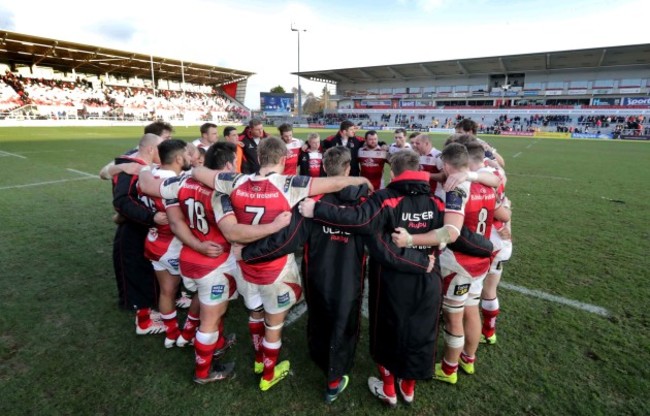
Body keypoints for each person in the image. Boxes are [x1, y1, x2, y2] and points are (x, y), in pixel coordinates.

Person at [299, 150, 487, 406]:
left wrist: (317, 208)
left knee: (386, 331)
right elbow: (461, 236)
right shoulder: (438, 202)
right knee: (419, 332)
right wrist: (487, 248)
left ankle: (389, 387)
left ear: (392, 172)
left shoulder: (384, 199)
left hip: (391, 278)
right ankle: (407, 388)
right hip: (426, 280)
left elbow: (361, 221)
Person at [191, 137, 372, 391]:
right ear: (285, 158)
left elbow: (200, 173)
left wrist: (193, 166)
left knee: (254, 312)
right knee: (273, 325)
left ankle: (257, 358)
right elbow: (334, 181)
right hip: (274, 269)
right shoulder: (291, 184)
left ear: (258, 157)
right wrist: (358, 180)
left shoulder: (235, 181)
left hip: (245, 266)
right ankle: (267, 374)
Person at [141, 142, 292, 384]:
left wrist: (141, 167)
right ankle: (204, 372)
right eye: (235, 162)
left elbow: (165, 208)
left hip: (189, 257)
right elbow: (232, 232)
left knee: (207, 305)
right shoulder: (224, 191)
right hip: (213, 261)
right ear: (229, 165)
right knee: (212, 316)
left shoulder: (182, 182)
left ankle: (202, 338)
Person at [239, 147, 368, 403]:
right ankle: (334, 377)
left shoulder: (311, 202)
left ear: (324, 171)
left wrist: (248, 253)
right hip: (349, 277)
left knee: (320, 314)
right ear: (347, 170)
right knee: (344, 321)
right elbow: (382, 239)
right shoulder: (366, 204)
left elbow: (286, 242)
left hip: (318, 274)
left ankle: (323, 360)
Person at [392, 143, 509, 385]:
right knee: (472, 309)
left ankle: (448, 368)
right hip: (481, 259)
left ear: (446, 165)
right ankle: (469, 358)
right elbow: (503, 207)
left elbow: (451, 233)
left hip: (458, 263)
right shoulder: (486, 182)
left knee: (454, 317)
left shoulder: (458, 189)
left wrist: (411, 239)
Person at [139, 139, 193, 347]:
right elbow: (180, 220)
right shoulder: (174, 184)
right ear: (178, 158)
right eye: (187, 155)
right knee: (202, 292)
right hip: (173, 246)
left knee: (167, 291)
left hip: (153, 241)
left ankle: (171, 334)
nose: (189, 158)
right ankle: (189, 333)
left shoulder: (150, 176)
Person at [112, 133, 166, 334]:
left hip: (141, 227)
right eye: (161, 148)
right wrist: (151, 217)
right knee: (135, 271)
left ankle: (148, 311)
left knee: (145, 270)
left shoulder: (141, 167)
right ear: (151, 149)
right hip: (133, 229)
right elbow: (123, 201)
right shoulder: (134, 168)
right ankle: (143, 322)